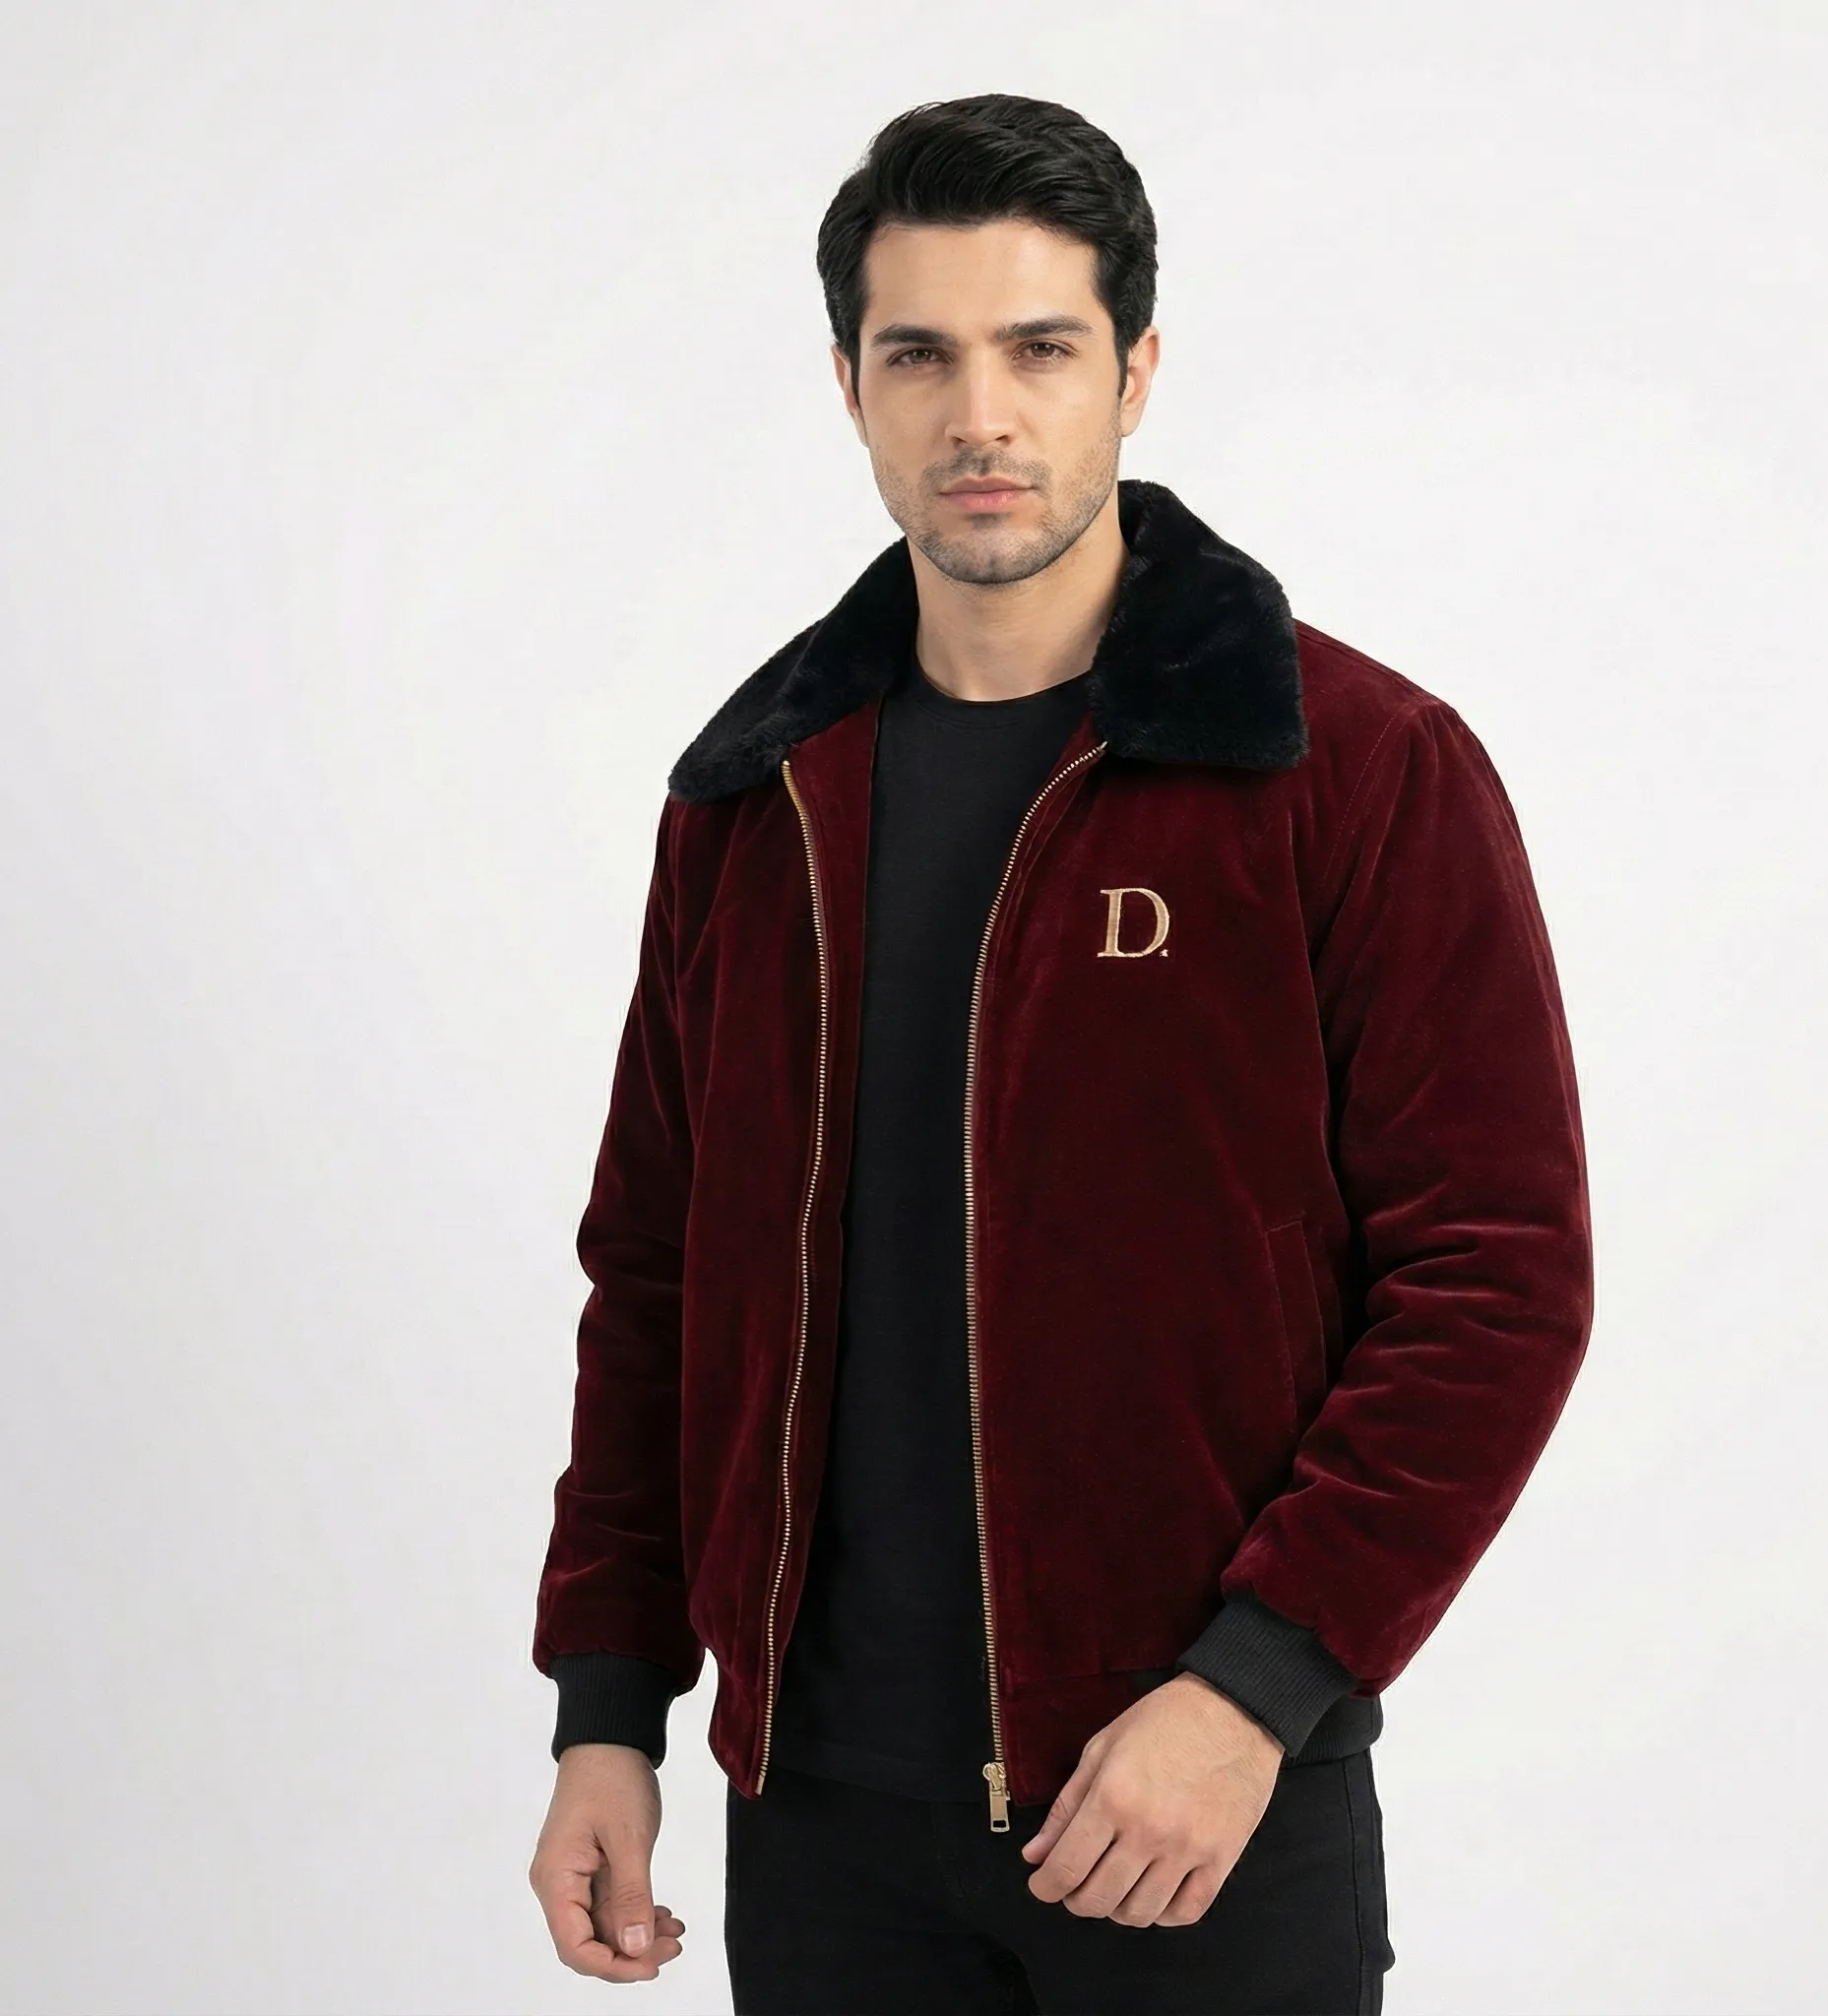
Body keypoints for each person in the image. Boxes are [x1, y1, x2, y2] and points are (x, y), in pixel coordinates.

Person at [526, 93, 1594, 2015]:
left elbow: (1496, 1280)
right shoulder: (755, 801)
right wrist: (608, 1707)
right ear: (850, 388)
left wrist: (1256, 1684)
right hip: (822, 1821)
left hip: (1191, 1805)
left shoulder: (1348, 769)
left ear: (1135, 373)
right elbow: (659, 1277)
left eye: (1040, 348)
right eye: (918, 356)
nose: (980, 416)